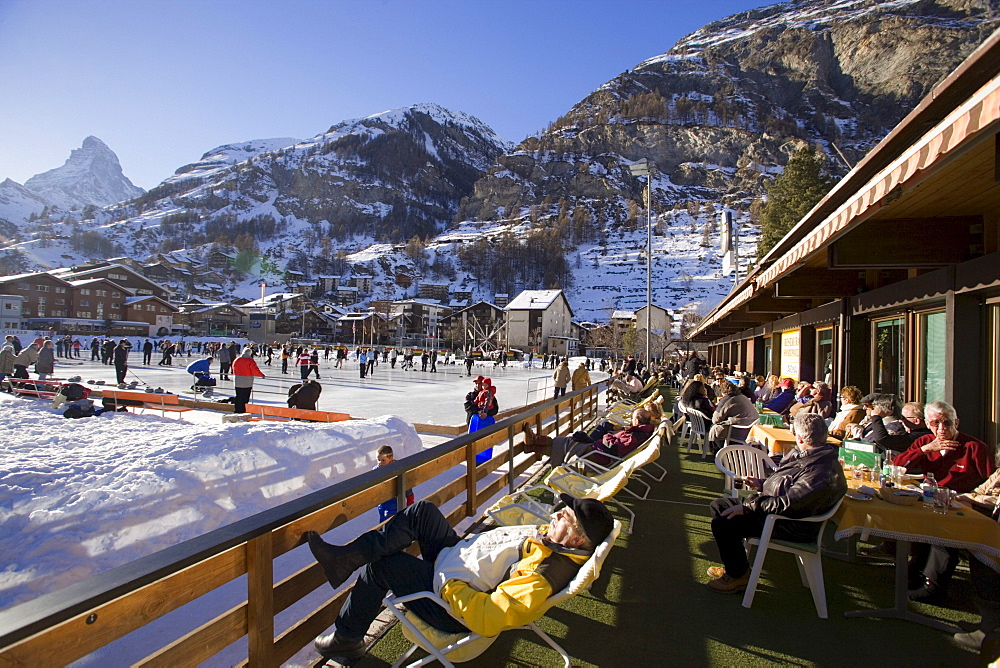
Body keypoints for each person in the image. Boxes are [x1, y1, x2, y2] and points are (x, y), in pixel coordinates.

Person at [304, 495, 614, 665]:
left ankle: (346, 639)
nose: (558, 514)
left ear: (576, 540)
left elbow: (489, 617)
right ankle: (345, 559)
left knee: (383, 567)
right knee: (423, 512)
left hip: (450, 604)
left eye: (566, 518)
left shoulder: (543, 574)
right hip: (458, 560)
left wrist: (451, 586)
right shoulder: (554, 543)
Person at [706, 412, 847, 593]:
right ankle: (737, 567)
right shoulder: (813, 456)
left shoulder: (820, 470)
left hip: (789, 524)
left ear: (801, 437)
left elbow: (790, 504)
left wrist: (750, 505)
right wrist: (762, 484)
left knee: (723, 523)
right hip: (776, 512)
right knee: (720, 506)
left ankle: (738, 576)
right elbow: (791, 487)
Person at [893, 401, 995, 602]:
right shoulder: (925, 442)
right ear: (927, 424)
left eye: (946, 423)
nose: (941, 429)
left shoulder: (974, 447)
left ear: (956, 422)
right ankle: (917, 569)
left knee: (944, 527)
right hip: (933, 499)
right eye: (935, 423)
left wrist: (971, 498)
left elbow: (991, 482)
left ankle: (934, 586)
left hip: (966, 505)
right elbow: (898, 465)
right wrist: (925, 450)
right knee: (912, 515)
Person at [522, 407, 654, 468]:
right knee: (568, 442)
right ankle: (533, 443)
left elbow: (615, 449)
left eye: (632, 419)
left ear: (637, 421)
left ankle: (534, 443)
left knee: (566, 446)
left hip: (600, 456)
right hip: (599, 450)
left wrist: (608, 436)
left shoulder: (636, 435)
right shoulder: (639, 432)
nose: (631, 421)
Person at [708, 381, 758, 451]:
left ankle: (718, 452)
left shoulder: (727, 399)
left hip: (737, 429)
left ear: (723, 392)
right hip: (749, 428)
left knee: (715, 428)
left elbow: (715, 419)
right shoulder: (742, 396)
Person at [374, 446, 415, 522]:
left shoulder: (397, 469)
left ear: (391, 459)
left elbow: (406, 484)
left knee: (391, 519)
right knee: (382, 518)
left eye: (383, 460)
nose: (380, 462)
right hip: (382, 502)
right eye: (378, 460)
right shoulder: (376, 471)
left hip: (394, 501)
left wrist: (410, 499)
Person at [232, 347, 265, 413]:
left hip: (237, 380)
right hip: (247, 381)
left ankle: (237, 409)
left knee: (239, 396)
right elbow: (255, 370)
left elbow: (233, 368)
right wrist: (261, 375)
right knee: (245, 396)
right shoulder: (250, 360)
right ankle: (243, 410)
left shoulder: (237, 359)